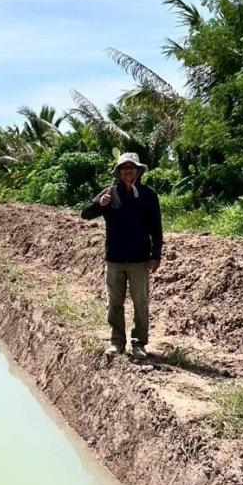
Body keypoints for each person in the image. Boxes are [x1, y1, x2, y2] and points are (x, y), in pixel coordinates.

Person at [80, 152, 163, 359]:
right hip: (114, 258)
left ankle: (139, 343)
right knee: (114, 303)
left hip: (139, 259)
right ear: (118, 172)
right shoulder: (109, 192)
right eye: (124, 168)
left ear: (138, 171)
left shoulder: (148, 194)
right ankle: (117, 342)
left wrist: (156, 255)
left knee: (140, 303)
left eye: (132, 168)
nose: (128, 171)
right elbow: (85, 214)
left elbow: (156, 228)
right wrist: (101, 204)